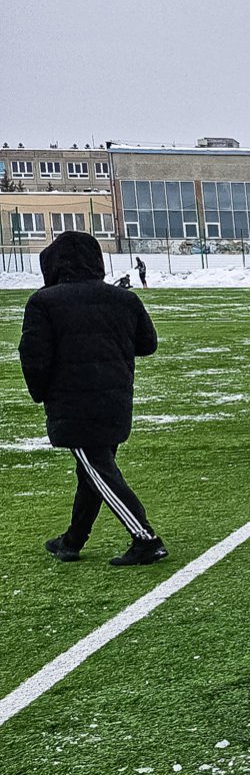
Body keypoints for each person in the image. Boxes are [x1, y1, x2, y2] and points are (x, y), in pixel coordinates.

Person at [20, 232, 167, 566]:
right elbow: (147, 344)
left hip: (73, 404)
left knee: (97, 469)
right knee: (93, 471)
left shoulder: (44, 302)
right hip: (116, 399)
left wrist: (41, 393)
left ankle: (145, 539)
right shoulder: (124, 299)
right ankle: (72, 540)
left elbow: (34, 356)